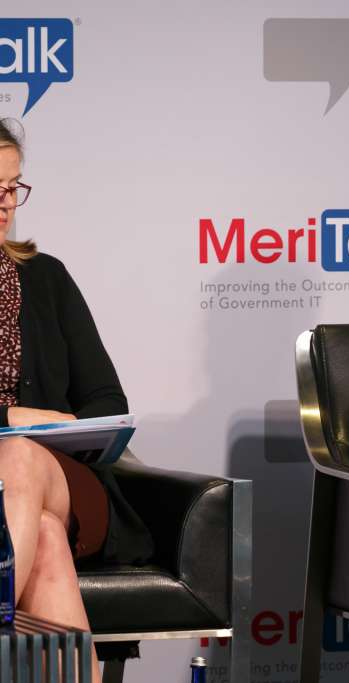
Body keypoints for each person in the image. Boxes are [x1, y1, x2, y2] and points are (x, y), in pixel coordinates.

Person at [0, 119, 152, 680]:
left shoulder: (47, 278)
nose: (6, 203)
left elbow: (106, 399)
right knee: (42, 536)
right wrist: (9, 416)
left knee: (20, 459)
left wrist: (46, 429)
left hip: (58, 476)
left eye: (13, 187)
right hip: (28, 505)